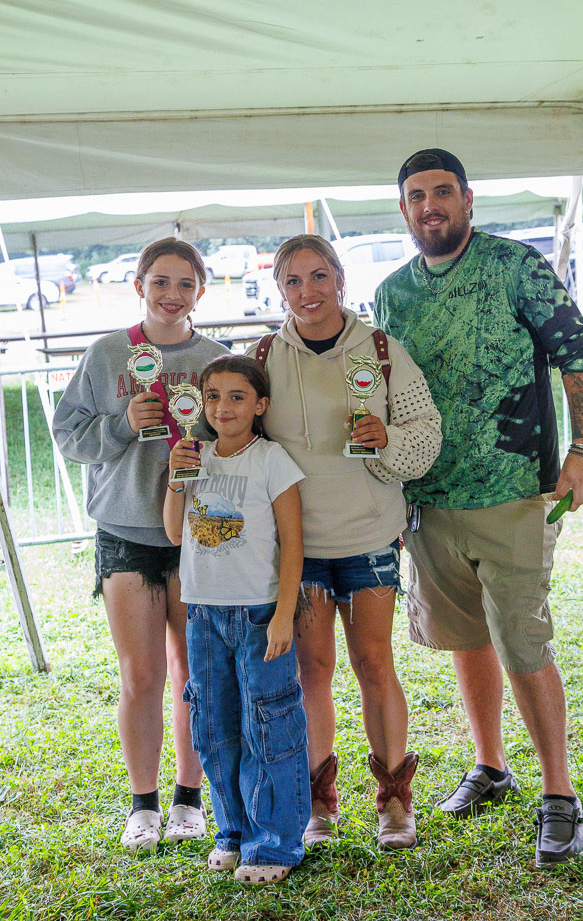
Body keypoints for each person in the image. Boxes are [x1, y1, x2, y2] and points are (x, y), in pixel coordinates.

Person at [374, 149, 583, 868]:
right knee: (465, 637)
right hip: (427, 500)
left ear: (467, 199)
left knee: (522, 642)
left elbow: (575, 352)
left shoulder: (515, 266)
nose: (430, 206)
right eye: (416, 196)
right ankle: (491, 766)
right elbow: (381, 392)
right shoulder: (391, 294)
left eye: (443, 192)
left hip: (512, 491)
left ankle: (559, 796)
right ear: (403, 209)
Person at [247, 234, 442, 850]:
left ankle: (395, 800)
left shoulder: (381, 350)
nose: (308, 291)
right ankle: (318, 802)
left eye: (319, 276)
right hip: (298, 547)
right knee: (313, 671)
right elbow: (238, 437)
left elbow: (425, 431)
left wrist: (387, 437)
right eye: (293, 281)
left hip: (368, 538)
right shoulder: (262, 356)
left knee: (374, 665)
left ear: (339, 279)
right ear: (280, 290)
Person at [52, 238, 225, 851]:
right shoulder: (107, 355)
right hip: (126, 532)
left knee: (194, 673)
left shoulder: (215, 359)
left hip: (199, 534)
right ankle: (144, 805)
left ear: (200, 291)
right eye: (160, 282)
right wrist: (122, 424)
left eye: (185, 284)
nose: (172, 295)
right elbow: (67, 433)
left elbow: (243, 438)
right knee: (141, 674)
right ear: (139, 286)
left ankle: (189, 799)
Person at [163, 355, 310, 885]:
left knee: (266, 724)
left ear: (260, 405)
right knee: (215, 726)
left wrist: (284, 615)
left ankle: (275, 842)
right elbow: (175, 533)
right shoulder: (194, 456)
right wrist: (176, 479)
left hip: (259, 612)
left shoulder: (272, 460)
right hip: (203, 613)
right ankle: (232, 832)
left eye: (237, 396)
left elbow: (293, 544)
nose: (222, 407)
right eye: (213, 396)